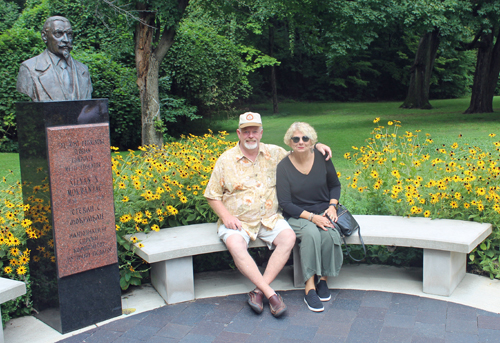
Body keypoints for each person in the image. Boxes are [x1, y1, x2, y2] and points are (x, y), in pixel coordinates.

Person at [204, 112, 332, 317]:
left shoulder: (276, 153)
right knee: (235, 244)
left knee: (288, 237)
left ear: (261, 133)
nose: (251, 135)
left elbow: (300, 150)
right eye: (246, 131)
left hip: (270, 219)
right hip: (239, 221)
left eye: (255, 131)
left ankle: (258, 291)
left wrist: (317, 146)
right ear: (238, 133)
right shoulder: (226, 160)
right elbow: (212, 196)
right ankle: (271, 294)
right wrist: (226, 217)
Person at [276, 122, 343, 312]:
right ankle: (309, 287)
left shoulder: (323, 158)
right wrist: (312, 218)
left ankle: (323, 280)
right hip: (298, 214)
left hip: (324, 210)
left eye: (305, 138)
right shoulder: (284, 167)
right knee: (311, 235)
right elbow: (285, 203)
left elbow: (335, 185)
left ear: (312, 140)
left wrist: (332, 207)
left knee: (330, 235)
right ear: (289, 142)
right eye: (295, 139)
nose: (300, 142)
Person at [17, 16, 93, 101]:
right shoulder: (29, 69)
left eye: (69, 34)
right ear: (45, 36)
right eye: (58, 34)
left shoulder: (83, 70)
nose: (66, 40)